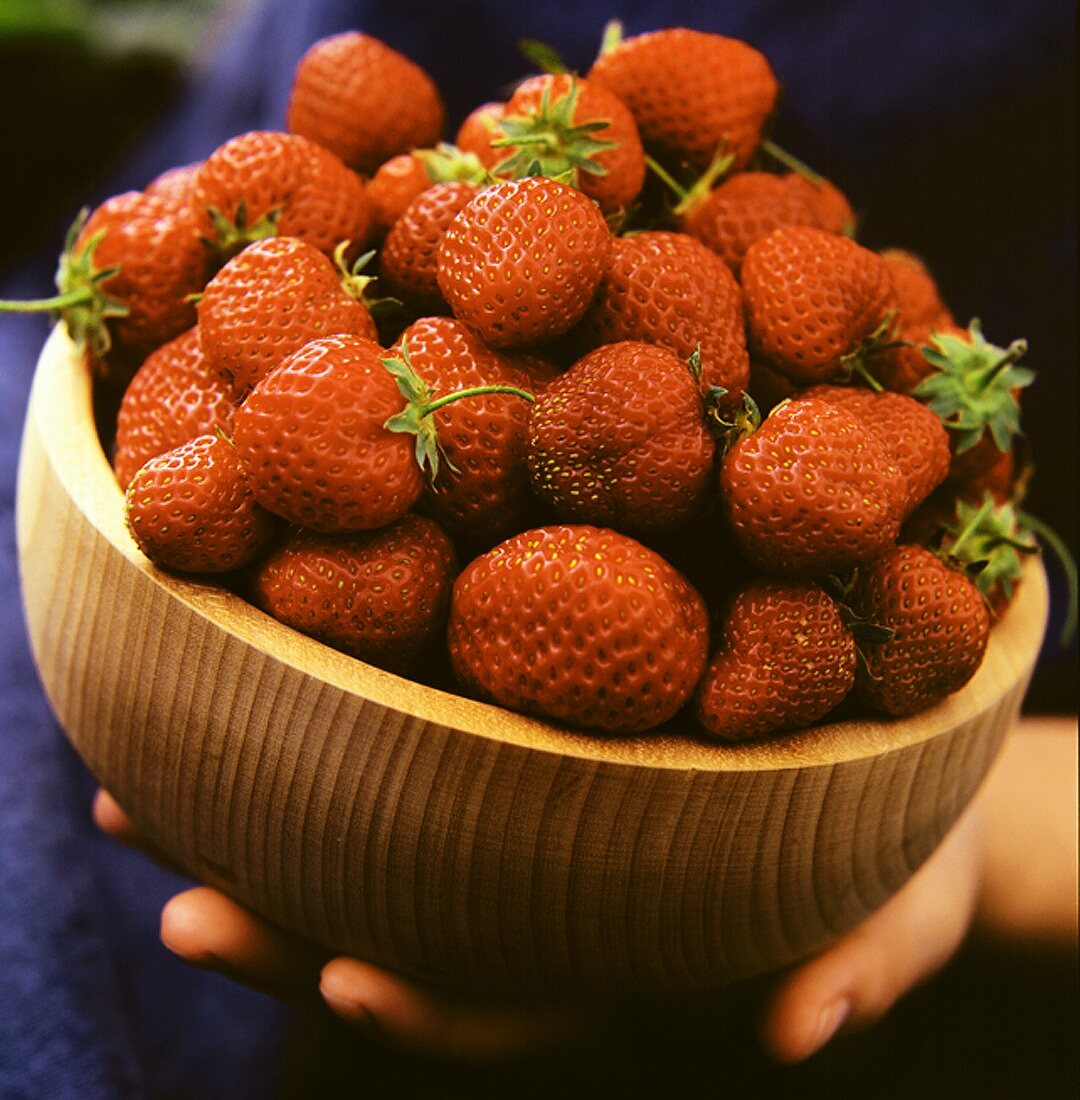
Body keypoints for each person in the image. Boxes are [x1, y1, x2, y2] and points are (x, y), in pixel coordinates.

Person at [1, 0, 1074, 1095]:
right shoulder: (335, 320)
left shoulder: (803, 456)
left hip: (814, 839)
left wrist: (973, 832)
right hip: (236, 250)